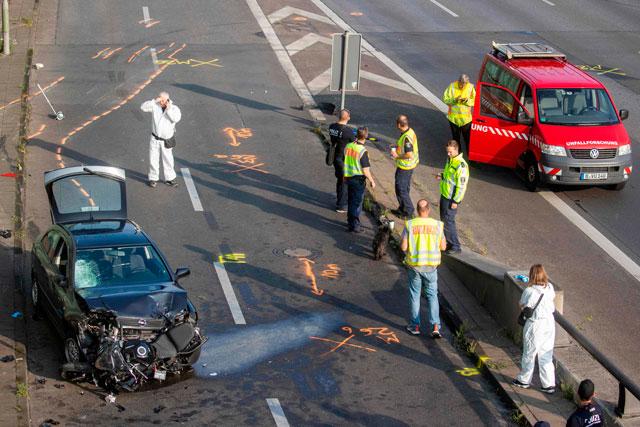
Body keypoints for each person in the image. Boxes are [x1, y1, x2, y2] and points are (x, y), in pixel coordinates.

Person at [401, 199, 447, 338]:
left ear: (417, 210)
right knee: (432, 295)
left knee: (415, 295)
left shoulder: (410, 224)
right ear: (429, 210)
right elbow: (443, 247)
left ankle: (415, 325)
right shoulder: (438, 225)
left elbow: (403, 247)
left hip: (415, 266)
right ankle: (435, 327)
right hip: (431, 267)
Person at [512, 264, 557, 394]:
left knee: (529, 353)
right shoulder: (549, 287)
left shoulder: (529, 291)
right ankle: (548, 384)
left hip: (535, 324)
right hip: (549, 323)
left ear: (531, 276)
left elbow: (522, 305)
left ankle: (524, 380)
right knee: (546, 354)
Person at [141, 92, 182, 188]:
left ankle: (170, 178)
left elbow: (176, 118)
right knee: (153, 159)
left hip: (166, 140)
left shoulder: (174, 109)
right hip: (155, 138)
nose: (161, 102)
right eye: (160, 99)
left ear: (168, 100)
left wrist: (168, 110)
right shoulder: (155, 106)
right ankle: (153, 178)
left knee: (168, 159)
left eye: (163, 100)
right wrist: (154, 101)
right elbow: (143, 107)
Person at [436, 140, 469, 254]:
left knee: (448, 221)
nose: (448, 154)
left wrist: (456, 201)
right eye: (447, 152)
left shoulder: (461, 165)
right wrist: (442, 176)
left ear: (456, 149)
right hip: (445, 195)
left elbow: (461, 186)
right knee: (445, 221)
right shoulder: (450, 160)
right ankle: (449, 243)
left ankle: (455, 246)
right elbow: (450, 176)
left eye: (450, 152)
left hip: (451, 199)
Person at [344, 127, 375, 233]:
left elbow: (345, 160)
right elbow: (365, 170)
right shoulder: (363, 151)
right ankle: (355, 226)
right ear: (366, 137)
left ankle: (350, 222)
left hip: (348, 177)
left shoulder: (348, 146)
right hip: (358, 180)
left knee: (350, 200)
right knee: (356, 204)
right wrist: (372, 180)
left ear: (356, 135)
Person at [390, 114, 419, 219]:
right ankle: (402, 208)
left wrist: (397, 156)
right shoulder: (409, 131)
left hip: (405, 167)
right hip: (409, 166)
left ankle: (408, 210)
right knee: (404, 188)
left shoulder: (407, 137)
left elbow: (409, 154)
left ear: (398, 124)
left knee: (401, 188)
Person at [329, 109, 356, 213]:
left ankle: (340, 199)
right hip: (343, 158)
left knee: (340, 179)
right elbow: (354, 142)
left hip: (334, 156)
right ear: (348, 118)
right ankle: (341, 205)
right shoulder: (347, 131)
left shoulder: (332, 127)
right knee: (344, 181)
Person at [442, 74, 475, 154]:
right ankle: (457, 155)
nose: (462, 86)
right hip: (454, 119)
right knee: (456, 140)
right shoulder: (452, 86)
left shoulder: (470, 87)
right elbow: (445, 99)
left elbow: (474, 101)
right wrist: (454, 100)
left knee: (468, 140)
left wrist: (467, 101)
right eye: (461, 84)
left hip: (466, 120)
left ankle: (470, 156)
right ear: (458, 81)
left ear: (467, 83)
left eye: (464, 85)